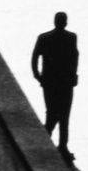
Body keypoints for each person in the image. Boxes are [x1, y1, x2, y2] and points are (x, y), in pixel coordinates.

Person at [30, 11, 79, 160]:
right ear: (65, 22)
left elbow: (34, 58)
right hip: (65, 82)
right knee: (64, 116)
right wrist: (73, 75)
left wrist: (39, 77)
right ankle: (60, 145)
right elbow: (75, 58)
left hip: (49, 83)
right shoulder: (71, 38)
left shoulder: (44, 38)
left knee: (52, 112)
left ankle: (47, 141)